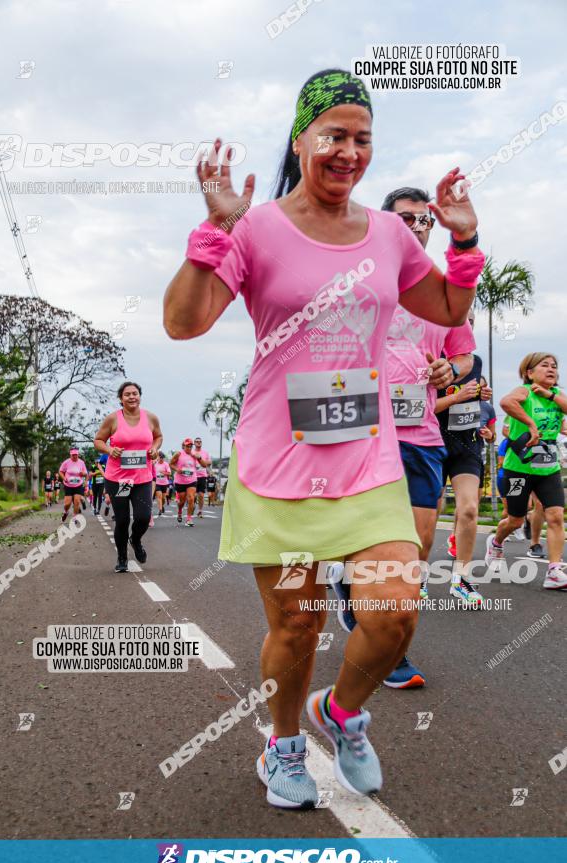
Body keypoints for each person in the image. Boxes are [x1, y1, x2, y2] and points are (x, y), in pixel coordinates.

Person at [163, 69, 483, 808]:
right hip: (278, 456)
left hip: (366, 455)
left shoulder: (387, 232)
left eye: (361, 138)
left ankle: (338, 714)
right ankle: (282, 748)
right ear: (302, 138)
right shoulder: (256, 227)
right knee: (298, 624)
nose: (348, 151)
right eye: (333, 135)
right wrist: (212, 231)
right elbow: (183, 321)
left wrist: (464, 239)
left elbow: (440, 302)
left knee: (394, 610)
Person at [372, 186, 475, 688]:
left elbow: (463, 355)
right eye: (405, 219)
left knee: (420, 546)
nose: (416, 227)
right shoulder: (363, 281)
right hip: (361, 433)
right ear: (385, 225)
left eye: (423, 221)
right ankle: (359, 598)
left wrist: (447, 371)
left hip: (420, 432)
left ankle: (394, 653)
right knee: (366, 544)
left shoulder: (441, 292)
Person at [485, 353, 567, 589]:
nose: (551, 369)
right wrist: (531, 424)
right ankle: (497, 543)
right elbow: (505, 402)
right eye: (544, 365)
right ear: (529, 373)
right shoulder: (525, 392)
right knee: (515, 519)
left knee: (555, 516)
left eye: (554, 366)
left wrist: (550, 394)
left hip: (548, 468)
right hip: (518, 469)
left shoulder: (557, 397)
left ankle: (553, 571)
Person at [435, 351, 494, 605]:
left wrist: (480, 397)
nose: (466, 325)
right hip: (432, 444)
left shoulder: (475, 361)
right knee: (429, 513)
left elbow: (475, 403)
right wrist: (458, 396)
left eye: (471, 321)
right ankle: (419, 576)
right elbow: (425, 407)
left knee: (469, 509)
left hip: (467, 446)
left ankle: (461, 579)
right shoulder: (429, 356)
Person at [94, 381, 162, 572]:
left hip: (142, 479)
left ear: (140, 396)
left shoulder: (150, 418)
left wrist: (155, 449)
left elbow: (158, 437)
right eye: (127, 394)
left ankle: (136, 540)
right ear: (121, 399)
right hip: (120, 480)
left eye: (135, 393)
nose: (132, 397)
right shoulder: (113, 419)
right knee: (122, 520)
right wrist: (109, 449)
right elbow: (98, 440)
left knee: (143, 516)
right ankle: (122, 557)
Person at [170, 439, 198, 526]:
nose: (189, 448)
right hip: (180, 481)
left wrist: (199, 457)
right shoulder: (178, 454)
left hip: (192, 480)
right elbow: (171, 464)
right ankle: (179, 511)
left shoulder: (194, 455)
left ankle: (189, 519)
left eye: (190, 446)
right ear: (183, 446)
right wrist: (177, 469)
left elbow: (202, 463)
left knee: (191, 498)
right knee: (181, 501)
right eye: (187, 446)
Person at [59, 448, 88, 522]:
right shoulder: (66, 462)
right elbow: (61, 471)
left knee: (77, 501)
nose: (75, 456)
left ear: (78, 455)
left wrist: (83, 473)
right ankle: (66, 512)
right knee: (67, 504)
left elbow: (86, 473)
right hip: (68, 485)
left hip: (78, 485)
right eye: (73, 455)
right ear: (70, 455)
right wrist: (64, 478)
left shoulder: (81, 462)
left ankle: (74, 516)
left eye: (76, 455)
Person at [192, 437, 211, 517]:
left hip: (202, 476)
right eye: (197, 442)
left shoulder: (205, 453)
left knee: (201, 495)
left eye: (200, 442)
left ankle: (200, 510)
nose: (198, 443)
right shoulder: (192, 452)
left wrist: (202, 461)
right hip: (193, 476)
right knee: (194, 495)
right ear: (194, 443)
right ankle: (192, 505)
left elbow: (209, 462)